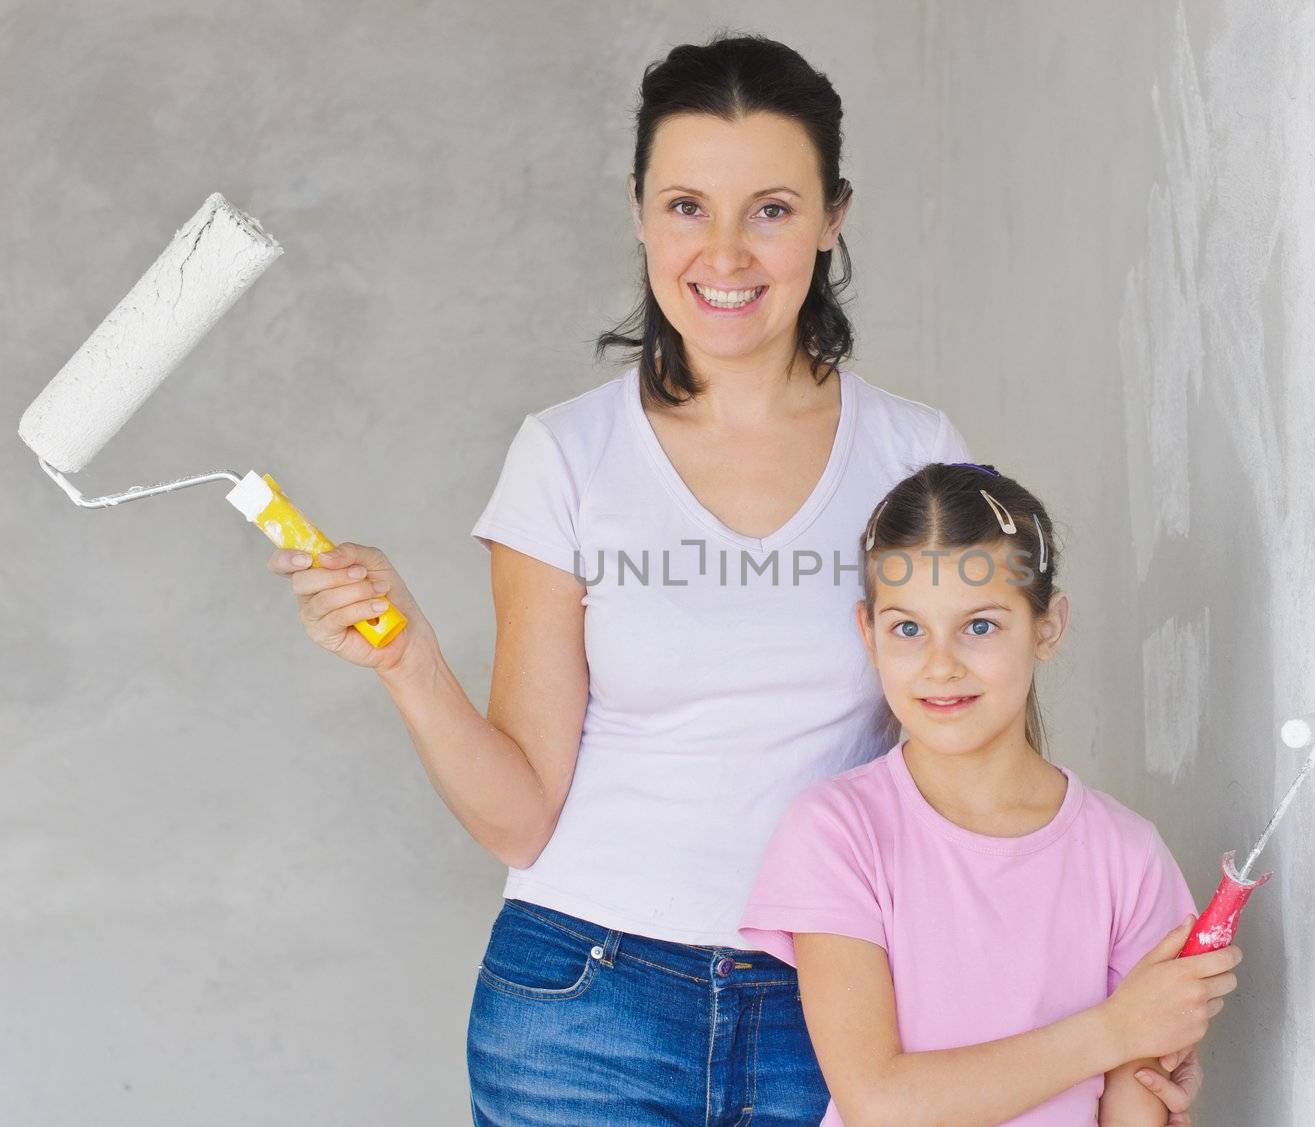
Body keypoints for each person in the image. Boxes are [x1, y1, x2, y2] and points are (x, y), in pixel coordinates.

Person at [267, 32, 1204, 1126]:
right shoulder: (567, 455)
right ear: (637, 211)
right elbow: (523, 818)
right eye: (684, 206)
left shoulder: (913, 455)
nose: (724, 252)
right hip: (585, 1001)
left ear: (831, 218)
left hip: (842, 1007)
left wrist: (1109, 1042)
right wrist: (410, 663)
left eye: (770, 208)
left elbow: (979, 752)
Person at [737, 462, 1241, 1126]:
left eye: (979, 626)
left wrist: (1140, 1048)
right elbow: (880, 1100)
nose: (941, 663)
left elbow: (1137, 1104)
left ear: (1048, 626)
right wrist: (1113, 1030)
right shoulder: (837, 831)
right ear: (869, 633)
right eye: (908, 628)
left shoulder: (1127, 854)